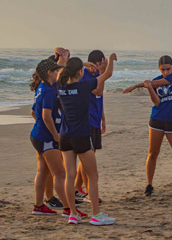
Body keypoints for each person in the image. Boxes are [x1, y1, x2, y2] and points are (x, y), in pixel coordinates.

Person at [57, 52, 117, 225]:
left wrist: (82, 63)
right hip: (81, 135)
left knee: (70, 175)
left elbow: (61, 69)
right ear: (80, 72)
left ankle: (73, 214)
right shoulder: (84, 86)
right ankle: (96, 215)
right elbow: (107, 75)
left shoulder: (61, 86)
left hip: (65, 136)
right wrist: (111, 61)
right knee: (92, 176)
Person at [123, 55, 172, 196]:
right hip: (157, 120)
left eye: (168, 69)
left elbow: (162, 82)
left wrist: (138, 85)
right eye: (163, 69)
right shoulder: (154, 81)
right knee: (153, 153)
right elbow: (157, 102)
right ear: (159, 69)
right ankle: (149, 184)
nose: (166, 72)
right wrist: (149, 87)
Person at [29, 52, 70, 216]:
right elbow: (46, 116)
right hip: (46, 137)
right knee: (59, 173)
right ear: (49, 73)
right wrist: (55, 135)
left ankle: (38, 206)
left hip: (37, 135)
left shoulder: (41, 87)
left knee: (43, 171)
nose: (58, 72)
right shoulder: (48, 91)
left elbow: (34, 112)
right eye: (55, 71)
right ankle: (69, 209)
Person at [74, 50, 108, 203]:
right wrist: (103, 73)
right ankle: (88, 192)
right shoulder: (85, 77)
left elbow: (99, 99)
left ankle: (77, 188)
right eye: (98, 65)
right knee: (88, 157)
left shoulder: (95, 76)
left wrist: (103, 117)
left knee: (88, 157)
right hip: (86, 121)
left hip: (95, 119)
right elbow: (98, 91)